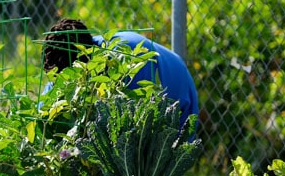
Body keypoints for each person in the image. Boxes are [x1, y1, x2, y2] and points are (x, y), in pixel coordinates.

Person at [43, 18, 199, 131]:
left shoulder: (123, 60)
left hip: (178, 102)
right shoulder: (64, 58)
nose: (65, 83)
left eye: (70, 76)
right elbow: (46, 106)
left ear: (83, 63)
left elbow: (136, 120)